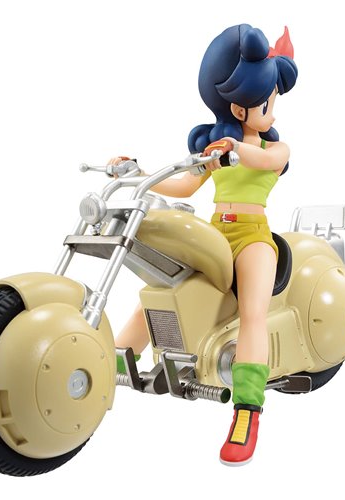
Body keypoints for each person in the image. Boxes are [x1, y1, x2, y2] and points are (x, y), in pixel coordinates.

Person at [110, 23, 298, 466]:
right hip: (214, 234)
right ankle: (108, 367)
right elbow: (182, 184)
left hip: (253, 236)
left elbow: (266, 159)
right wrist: (137, 173)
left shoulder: (276, 148)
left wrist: (235, 149)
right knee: (161, 293)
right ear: (237, 105)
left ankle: (247, 411)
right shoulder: (217, 148)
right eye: (266, 103)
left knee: (253, 312)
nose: (271, 113)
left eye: (270, 103)